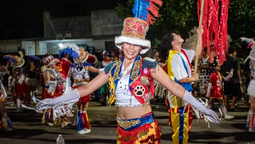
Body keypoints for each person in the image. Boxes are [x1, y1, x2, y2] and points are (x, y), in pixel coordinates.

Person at [36, 0, 219, 143]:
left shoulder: (149, 65)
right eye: (127, 44)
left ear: (141, 48)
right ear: (121, 45)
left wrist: (202, 107)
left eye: (136, 45)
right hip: (122, 131)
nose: (131, 48)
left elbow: (174, 87)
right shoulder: (112, 68)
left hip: (144, 129)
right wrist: (54, 100)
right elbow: (86, 89)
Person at [158, 29, 200, 144]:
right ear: (173, 43)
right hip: (178, 97)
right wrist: (194, 79)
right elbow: (182, 79)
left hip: (183, 94)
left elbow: (198, 52)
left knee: (185, 125)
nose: (180, 35)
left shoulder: (182, 53)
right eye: (176, 35)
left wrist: (199, 35)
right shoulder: (175, 57)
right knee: (180, 127)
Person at [63, 45, 101, 134]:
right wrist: (67, 88)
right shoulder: (74, 66)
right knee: (82, 108)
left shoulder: (83, 66)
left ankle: (81, 124)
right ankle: (83, 125)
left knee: (82, 107)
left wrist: (108, 69)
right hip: (79, 87)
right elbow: (68, 78)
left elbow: (97, 70)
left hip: (82, 87)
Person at [41, 55, 66, 127]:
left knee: (58, 105)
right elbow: (47, 82)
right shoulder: (47, 71)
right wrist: (56, 83)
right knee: (49, 106)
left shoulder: (56, 70)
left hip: (57, 89)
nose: (55, 63)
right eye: (53, 62)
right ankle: (47, 120)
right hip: (50, 89)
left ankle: (56, 118)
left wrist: (63, 81)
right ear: (49, 64)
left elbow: (60, 78)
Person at [241, 37, 255, 132]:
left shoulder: (251, 60)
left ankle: (251, 126)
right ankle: (251, 126)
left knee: (253, 107)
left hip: (253, 83)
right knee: (253, 106)